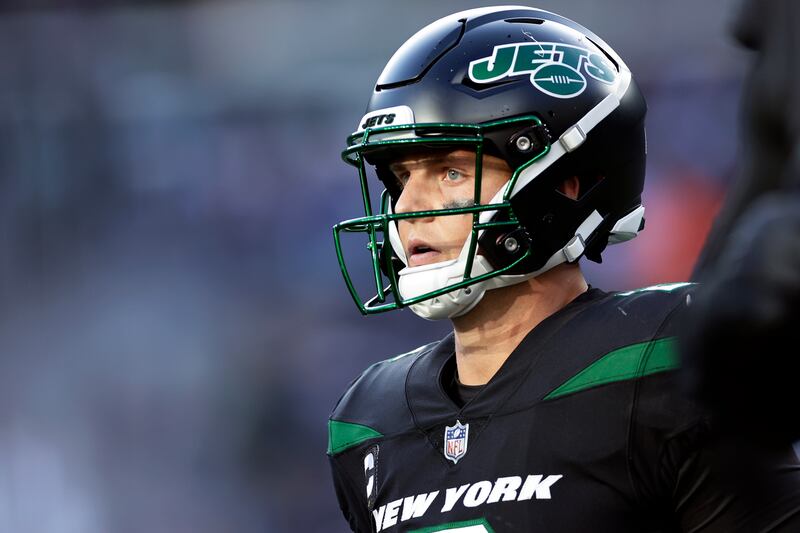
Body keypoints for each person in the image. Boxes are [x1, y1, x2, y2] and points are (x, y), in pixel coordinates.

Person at [327, 6, 800, 532]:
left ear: (563, 186)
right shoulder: (367, 421)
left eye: (451, 171)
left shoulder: (666, 359)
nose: (409, 206)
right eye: (401, 176)